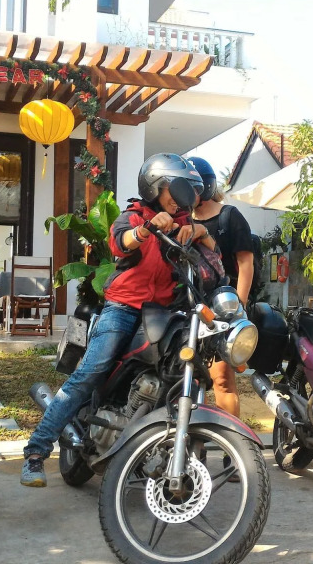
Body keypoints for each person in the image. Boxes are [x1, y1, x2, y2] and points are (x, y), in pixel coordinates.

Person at [20, 153, 211, 487]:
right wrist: (148, 228)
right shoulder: (133, 215)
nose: (181, 197)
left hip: (164, 312)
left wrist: (202, 231)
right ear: (155, 186)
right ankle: (36, 452)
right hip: (124, 307)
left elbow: (213, 261)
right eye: (174, 189)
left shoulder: (185, 225)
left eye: (188, 190)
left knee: (186, 373)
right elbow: (120, 244)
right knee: (91, 372)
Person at [188, 155, 255, 421]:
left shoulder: (229, 217)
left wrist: (239, 307)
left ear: (203, 187)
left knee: (222, 379)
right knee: (188, 379)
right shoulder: (181, 219)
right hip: (189, 306)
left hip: (223, 307)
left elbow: (245, 263)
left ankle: (231, 440)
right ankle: (194, 439)